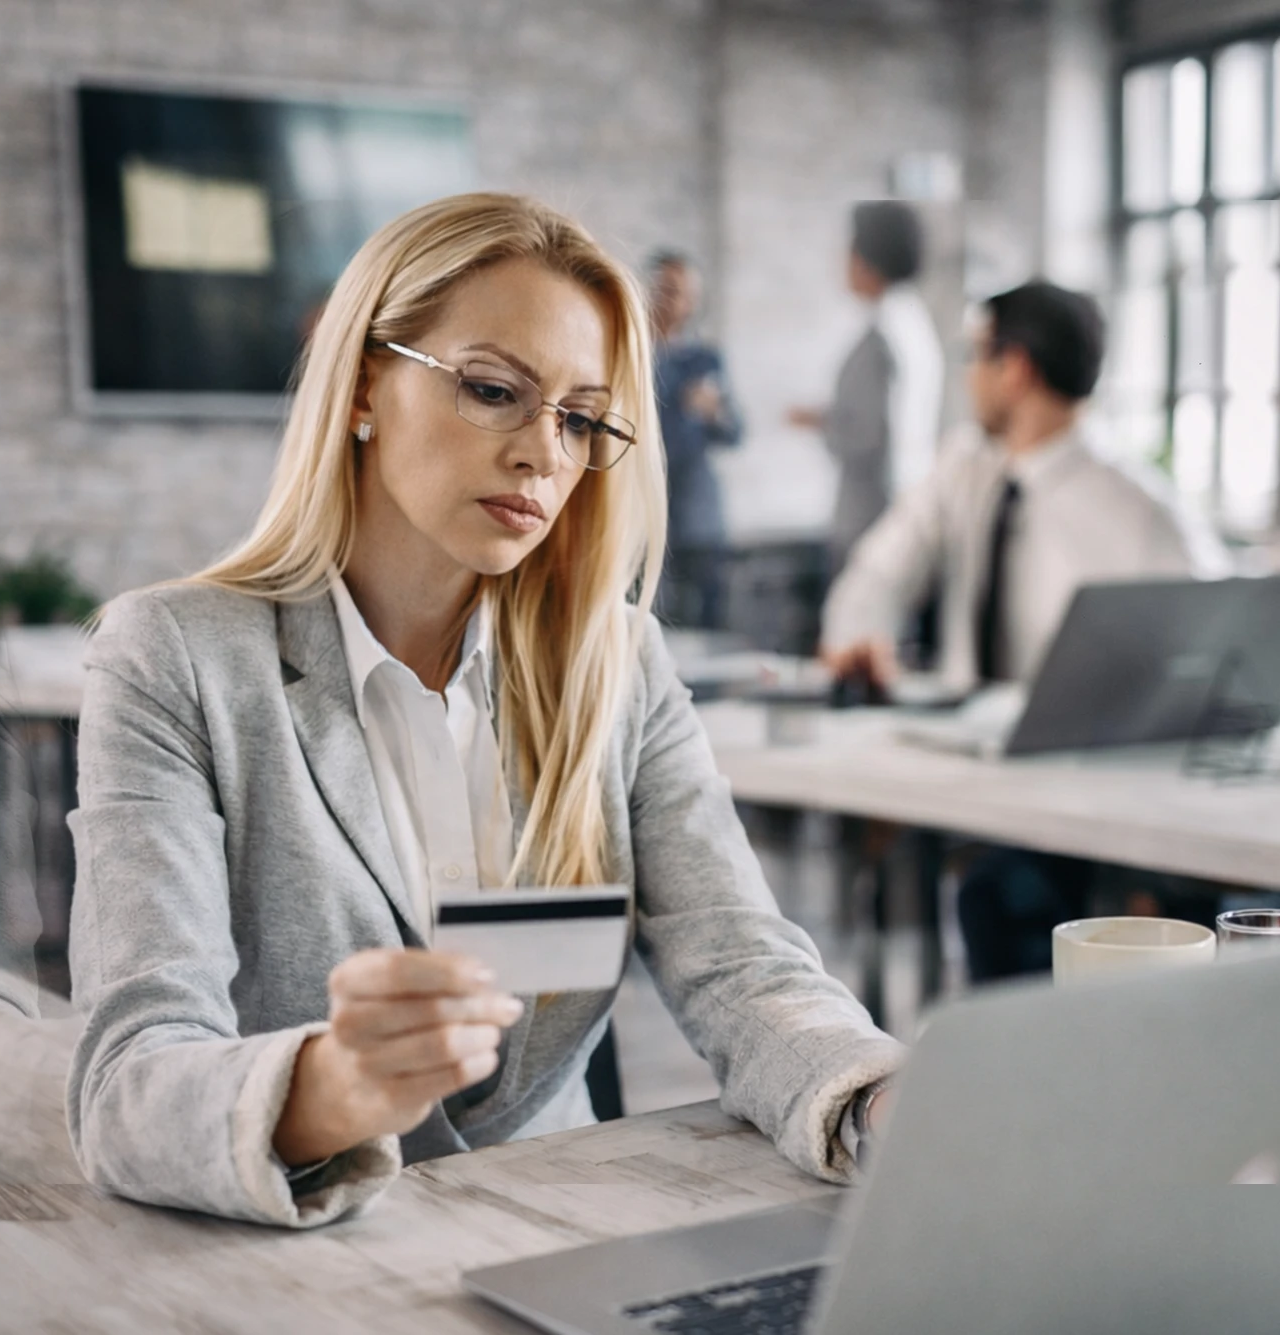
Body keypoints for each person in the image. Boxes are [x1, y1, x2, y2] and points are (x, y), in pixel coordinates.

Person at [66, 193, 900, 1228]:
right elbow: (128, 1089)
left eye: (582, 419)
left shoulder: (617, 663)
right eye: (496, 390)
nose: (545, 455)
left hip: (564, 1248)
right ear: (367, 383)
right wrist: (325, 1089)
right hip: (294, 1278)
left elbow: (740, 960)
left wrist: (878, 1099)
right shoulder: (173, 659)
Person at [820, 279, 1230, 981]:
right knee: (993, 887)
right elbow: (878, 571)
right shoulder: (963, 467)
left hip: (1090, 793)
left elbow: (1223, 643)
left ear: (1014, 367)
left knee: (1008, 895)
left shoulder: (1140, 513)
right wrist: (859, 633)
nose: (969, 375)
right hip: (963, 768)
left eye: (974, 355)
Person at [789, 201, 944, 571]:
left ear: (867, 259)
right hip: (901, 509)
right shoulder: (914, 325)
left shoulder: (882, 337)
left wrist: (822, 422)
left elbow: (866, 435)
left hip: (870, 519)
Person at [648, 250, 742, 629]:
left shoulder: (705, 359)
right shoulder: (634, 355)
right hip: (647, 513)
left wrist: (713, 411)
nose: (674, 301)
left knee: (707, 624)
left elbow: (736, 432)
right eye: (667, 289)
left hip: (700, 518)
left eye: (683, 293)